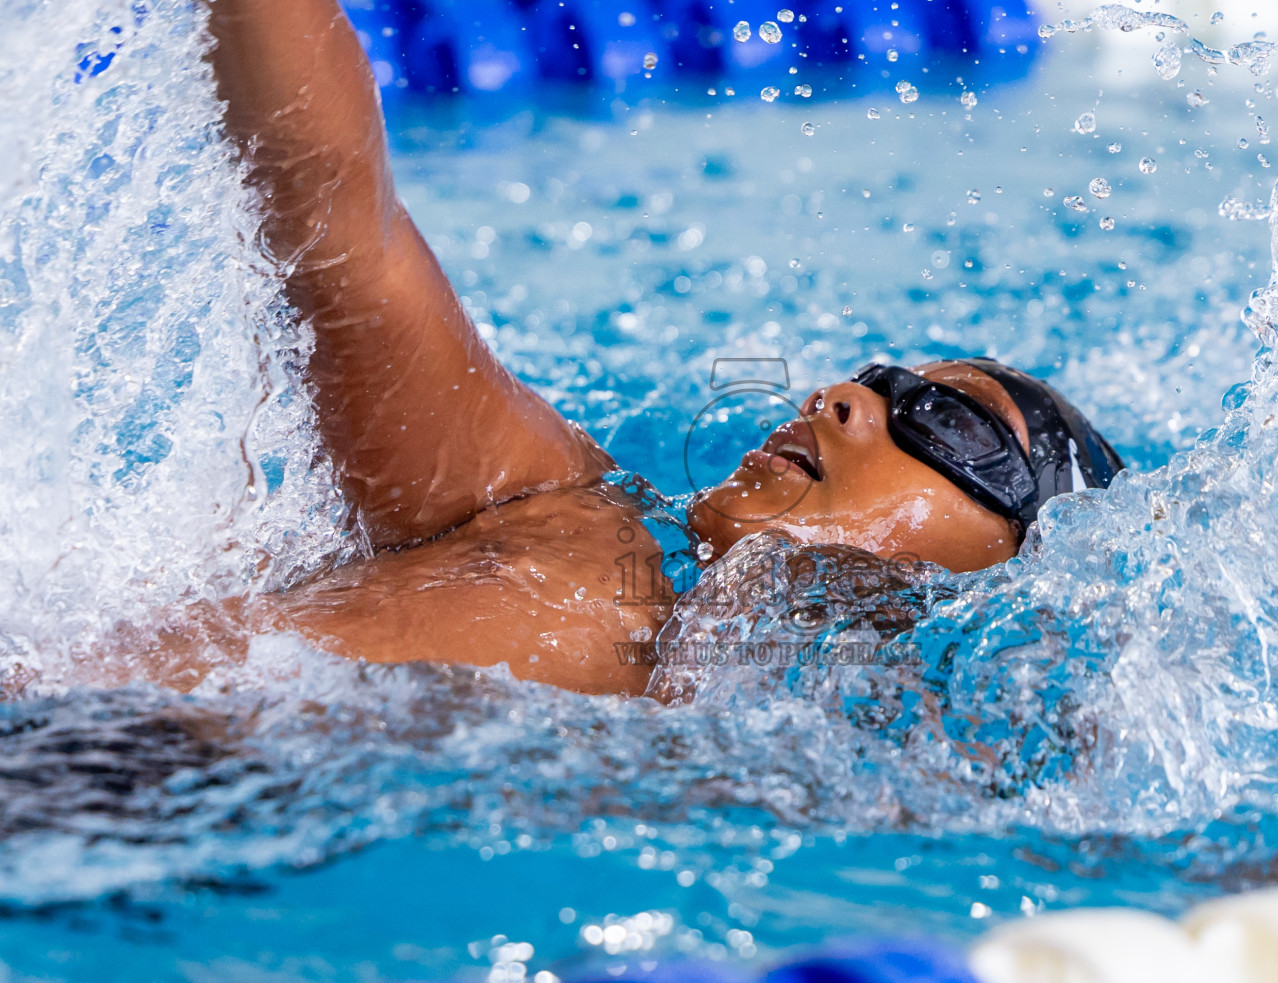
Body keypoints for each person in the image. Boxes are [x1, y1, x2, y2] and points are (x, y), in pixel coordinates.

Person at [203, 0, 1124, 698]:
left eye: (949, 423)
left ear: (1016, 570)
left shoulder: (862, 760)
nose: (846, 397)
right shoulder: (545, 507)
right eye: (881, 380)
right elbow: (336, 230)